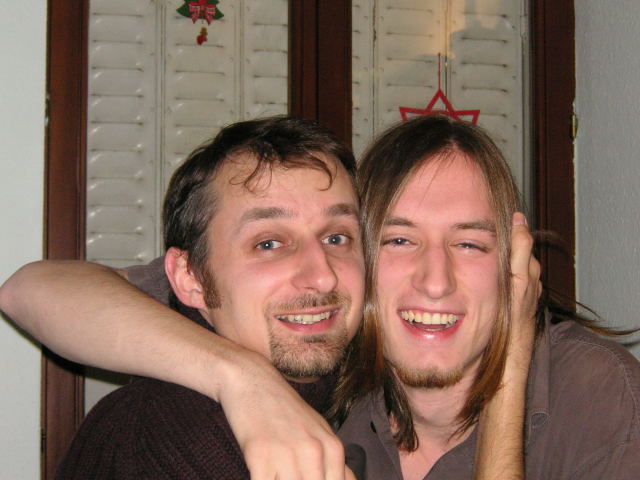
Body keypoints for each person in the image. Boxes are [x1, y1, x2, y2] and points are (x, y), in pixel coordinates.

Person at [0, 115, 540, 479]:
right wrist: (243, 379)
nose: (320, 277)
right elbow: (29, 289)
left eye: (337, 237)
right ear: (189, 278)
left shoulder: (347, 359)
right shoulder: (177, 440)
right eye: (268, 243)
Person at [330, 114, 640, 479]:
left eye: (468, 244)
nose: (435, 282)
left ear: (515, 266)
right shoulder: (328, 394)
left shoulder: (601, 397)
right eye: (400, 240)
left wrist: (510, 365)